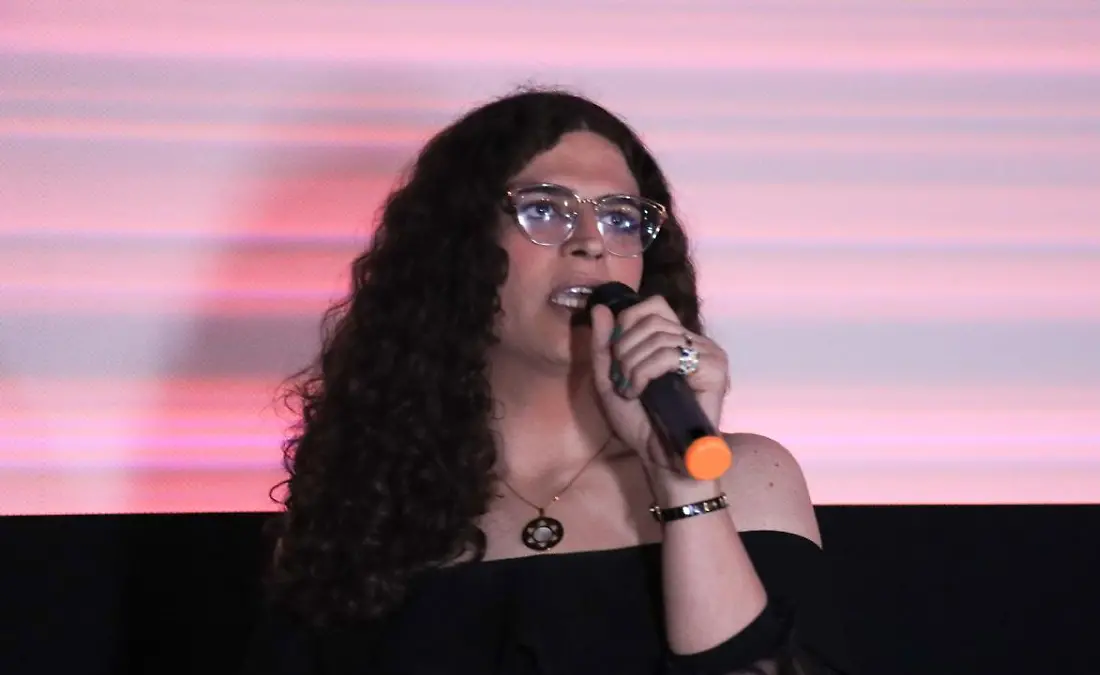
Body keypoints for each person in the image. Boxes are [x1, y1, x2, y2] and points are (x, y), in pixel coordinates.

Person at [243, 88, 853, 674]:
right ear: (460, 248)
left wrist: (682, 484)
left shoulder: (746, 478)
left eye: (619, 217)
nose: (590, 243)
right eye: (544, 210)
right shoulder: (367, 509)